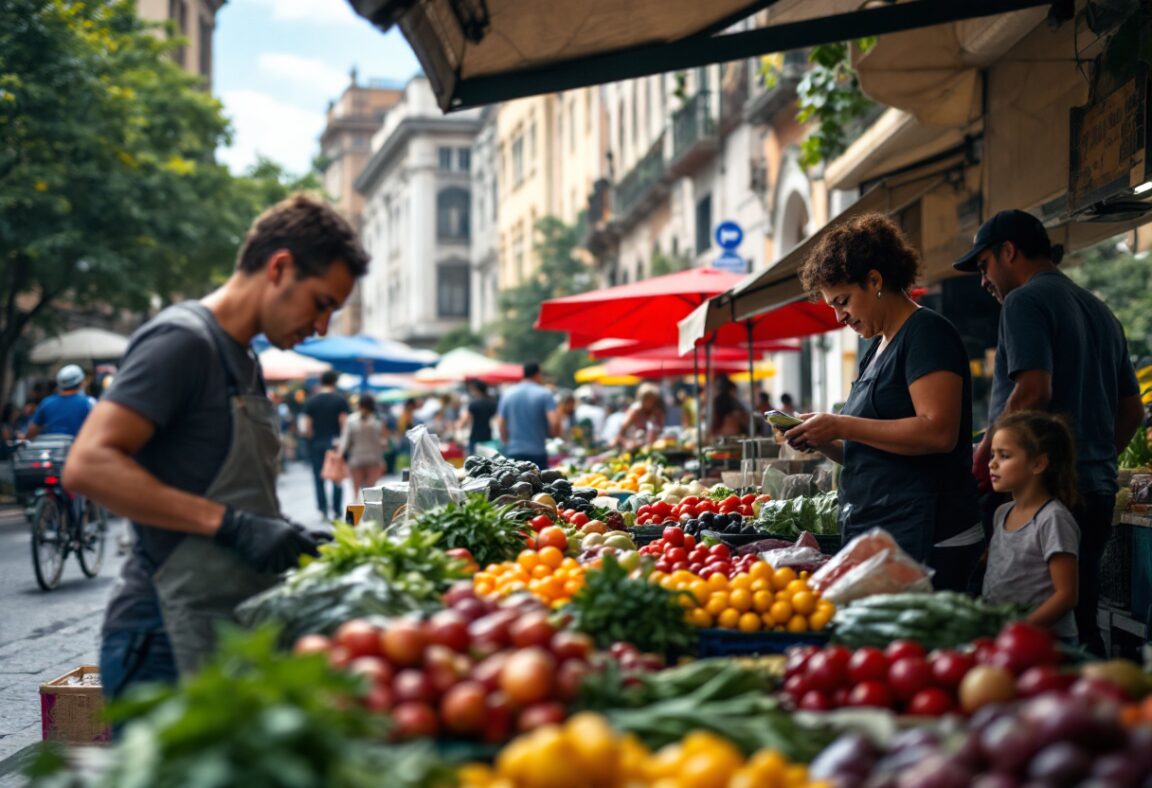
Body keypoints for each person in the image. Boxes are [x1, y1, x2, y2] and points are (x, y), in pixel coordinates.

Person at [63, 193, 369, 699]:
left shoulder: (243, 359)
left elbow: (211, 478)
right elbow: (88, 465)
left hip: (219, 622)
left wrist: (283, 532)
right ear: (280, 267)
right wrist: (231, 525)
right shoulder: (181, 342)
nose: (321, 328)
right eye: (322, 304)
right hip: (160, 635)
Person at [954, 209, 1143, 652]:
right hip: (1095, 493)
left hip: (1041, 496)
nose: (983, 281)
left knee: (1022, 618)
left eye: (984, 266)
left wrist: (985, 455)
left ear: (1009, 251)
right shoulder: (1100, 310)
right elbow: (1132, 411)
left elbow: (1033, 389)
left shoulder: (1025, 301)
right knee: (1079, 615)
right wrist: (1092, 461)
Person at [784, 213, 982, 590]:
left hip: (929, 530)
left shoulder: (927, 333)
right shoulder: (877, 347)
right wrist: (822, 440)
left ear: (874, 281)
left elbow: (938, 431)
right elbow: (871, 448)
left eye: (843, 301)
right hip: (883, 529)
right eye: (832, 307)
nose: (840, 316)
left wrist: (840, 423)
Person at [982, 411, 1081, 641]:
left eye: (1004, 456)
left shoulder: (1053, 519)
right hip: (1007, 639)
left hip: (1048, 643)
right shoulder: (1001, 513)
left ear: (1038, 463)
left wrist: (1021, 630)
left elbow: (1067, 595)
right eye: (992, 455)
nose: (992, 464)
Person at [303, 370, 351, 521]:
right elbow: (344, 423)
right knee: (337, 476)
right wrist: (343, 443)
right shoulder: (339, 400)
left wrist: (311, 439)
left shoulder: (312, 400)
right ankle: (336, 510)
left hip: (317, 443)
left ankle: (323, 509)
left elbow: (307, 426)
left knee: (318, 477)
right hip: (335, 444)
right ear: (335, 382)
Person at [496, 362, 557, 469]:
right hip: (537, 451)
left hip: (514, 451)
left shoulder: (508, 393)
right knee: (540, 484)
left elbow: (501, 424)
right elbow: (554, 422)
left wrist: (507, 443)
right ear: (537, 374)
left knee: (517, 485)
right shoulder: (544, 394)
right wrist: (551, 436)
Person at [339, 393, 388, 502]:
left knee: (355, 493)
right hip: (374, 460)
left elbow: (345, 441)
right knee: (370, 492)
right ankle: (370, 517)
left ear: (359, 405)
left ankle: (354, 518)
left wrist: (340, 455)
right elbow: (383, 443)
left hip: (356, 459)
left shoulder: (351, 420)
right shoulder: (378, 420)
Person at [26, 365, 94, 439]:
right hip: (79, 448)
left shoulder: (47, 403)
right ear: (81, 383)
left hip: (51, 448)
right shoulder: (88, 402)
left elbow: (32, 430)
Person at [614, 382, 666, 450]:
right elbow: (620, 433)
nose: (651, 401)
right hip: (632, 447)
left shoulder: (656, 411)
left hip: (649, 447)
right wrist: (627, 443)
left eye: (653, 399)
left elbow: (659, 430)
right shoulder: (636, 410)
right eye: (648, 399)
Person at [457, 379, 498, 454]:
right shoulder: (492, 403)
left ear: (477, 390)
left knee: (474, 462)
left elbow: (462, 423)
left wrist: (457, 425)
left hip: (475, 437)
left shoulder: (473, 404)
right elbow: (497, 420)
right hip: (488, 436)